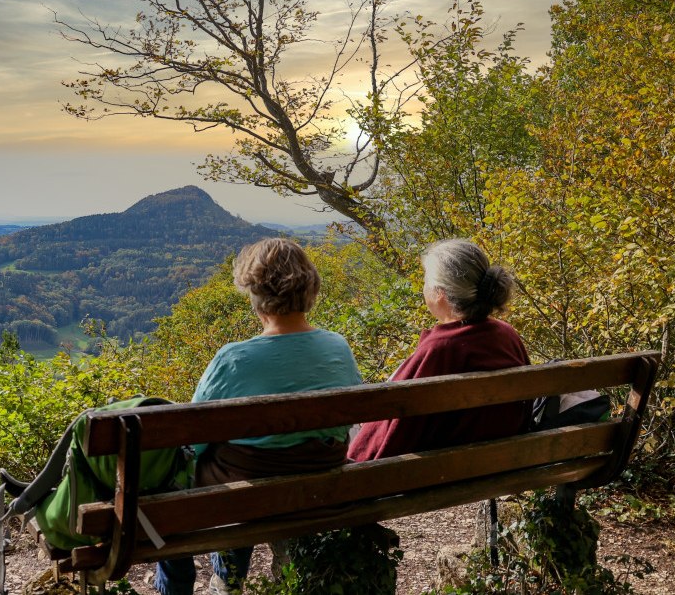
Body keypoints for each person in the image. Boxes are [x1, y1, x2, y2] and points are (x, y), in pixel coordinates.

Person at [154, 238, 362, 595]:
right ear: (310, 288)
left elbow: (192, 442)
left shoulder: (233, 359)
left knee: (172, 485)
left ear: (254, 294)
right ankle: (226, 580)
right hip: (319, 478)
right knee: (241, 463)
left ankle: (181, 587)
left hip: (247, 491)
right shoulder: (337, 346)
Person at [348, 239, 531, 462]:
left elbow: (395, 432)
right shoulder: (506, 334)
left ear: (439, 293)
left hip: (440, 472)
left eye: (426, 280)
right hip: (500, 462)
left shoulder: (440, 348)